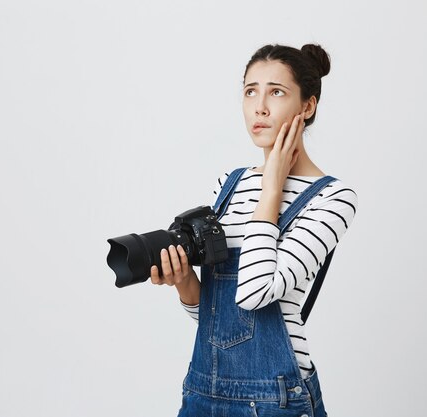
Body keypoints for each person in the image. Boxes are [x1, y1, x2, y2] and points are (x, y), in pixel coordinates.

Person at [150, 43, 358, 417]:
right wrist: (184, 281)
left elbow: (255, 293)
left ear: (307, 107)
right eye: (250, 92)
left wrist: (272, 189)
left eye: (276, 92)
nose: (259, 107)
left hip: (275, 400)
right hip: (202, 391)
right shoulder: (229, 184)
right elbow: (219, 319)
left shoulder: (333, 197)